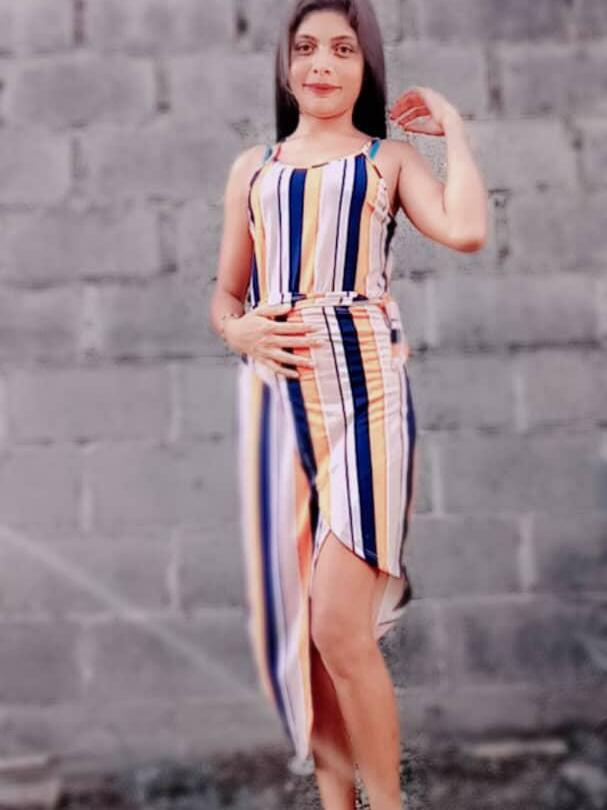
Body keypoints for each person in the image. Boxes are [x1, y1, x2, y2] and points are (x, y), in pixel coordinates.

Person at [209, 1, 487, 807]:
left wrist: (454, 133)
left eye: (341, 48)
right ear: (285, 64)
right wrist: (238, 331)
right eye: (305, 48)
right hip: (277, 407)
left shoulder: (386, 159)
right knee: (307, 634)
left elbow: (465, 230)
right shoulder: (252, 168)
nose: (320, 64)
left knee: (339, 623)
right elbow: (225, 294)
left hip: (365, 401)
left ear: (365, 66)